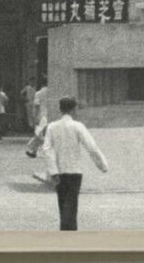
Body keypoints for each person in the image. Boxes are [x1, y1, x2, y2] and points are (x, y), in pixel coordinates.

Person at [41, 96, 109, 230]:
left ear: (60, 109)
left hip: (59, 171)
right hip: (75, 170)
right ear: (73, 109)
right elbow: (91, 147)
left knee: (62, 200)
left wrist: (53, 170)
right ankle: (70, 230)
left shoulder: (52, 127)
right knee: (72, 201)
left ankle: (64, 228)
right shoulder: (78, 126)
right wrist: (102, 165)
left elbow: (47, 149)